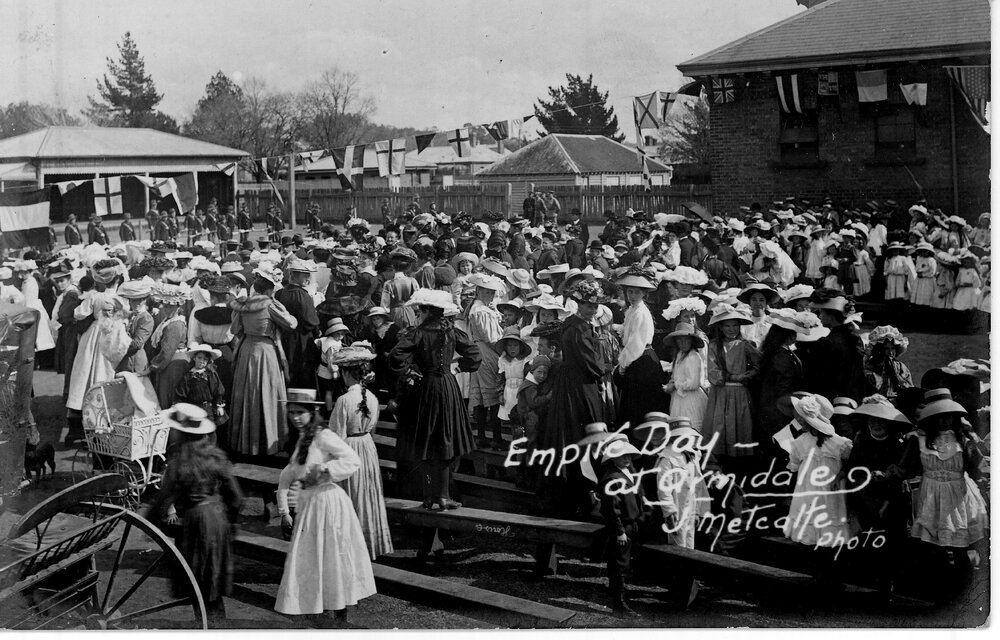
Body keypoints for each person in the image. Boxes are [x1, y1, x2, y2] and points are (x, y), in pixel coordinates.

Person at [275, 389, 376, 622]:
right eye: (291, 413)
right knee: (313, 556)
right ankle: (324, 605)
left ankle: (340, 612)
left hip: (328, 503)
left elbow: (352, 461)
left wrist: (323, 472)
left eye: (301, 412)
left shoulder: (323, 435)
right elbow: (289, 474)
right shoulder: (302, 438)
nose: (295, 417)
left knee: (333, 554)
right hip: (310, 505)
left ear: (313, 412)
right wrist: (284, 510)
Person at [148, 404, 242, 622]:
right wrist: (230, 523)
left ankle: (207, 627)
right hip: (218, 521)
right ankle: (218, 625)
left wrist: (151, 522)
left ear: (181, 434)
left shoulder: (178, 463)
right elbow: (236, 498)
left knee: (197, 582)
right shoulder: (217, 457)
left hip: (196, 524)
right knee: (213, 582)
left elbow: (162, 501)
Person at [389, 289, 481, 510]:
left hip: (426, 387)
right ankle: (443, 495)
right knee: (446, 437)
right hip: (448, 386)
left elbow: (395, 356)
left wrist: (409, 372)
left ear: (428, 311)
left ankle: (430, 496)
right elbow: (475, 357)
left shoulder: (418, 333)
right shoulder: (452, 331)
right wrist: (458, 367)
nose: (418, 313)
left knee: (428, 440)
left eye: (421, 310)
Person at [899, 389, 987, 578]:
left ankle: (963, 587)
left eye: (948, 416)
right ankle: (941, 588)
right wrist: (892, 473)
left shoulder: (962, 437)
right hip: (931, 494)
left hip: (959, 494)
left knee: (960, 543)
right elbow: (907, 466)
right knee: (934, 544)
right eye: (939, 416)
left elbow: (977, 465)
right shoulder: (919, 438)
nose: (944, 421)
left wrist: (982, 474)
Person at [327, 344, 393, 560]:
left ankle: (350, 546)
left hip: (349, 448)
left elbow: (336, 435)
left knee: (351, 495)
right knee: (367, 493)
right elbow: (372, 426)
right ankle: (369, 542)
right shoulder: (372, 398)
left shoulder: (344, 400)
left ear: (347, 373)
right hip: (367, 446)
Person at [844, 396, 912, 597]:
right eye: (872, 420)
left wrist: (886, 480)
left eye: (881, 421)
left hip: (891, 499)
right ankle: (870, 581)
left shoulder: (898, 443)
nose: (877, 424)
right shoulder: (861, 440)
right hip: (866, 497)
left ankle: (889, 585)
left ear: (889, 423)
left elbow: (902, 472)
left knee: (892, 541)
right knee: (869, 539)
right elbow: (853, 470)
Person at [229, 263, 298, 456]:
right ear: (269, 289)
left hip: (246, 350)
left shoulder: (243, 303)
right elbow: (291, 324)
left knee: (247, 393)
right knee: (267, 392)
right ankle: (268, 440)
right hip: (266, 351)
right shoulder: (270, 305)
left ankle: (245, 442)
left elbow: (234, 330)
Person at [782, 393, 855, 551]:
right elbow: (793, 468)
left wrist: (839, 475)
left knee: (829, 519)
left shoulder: (839, 443)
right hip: (808, 490)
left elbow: (851, 464)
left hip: (830, 489)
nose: (799, 420)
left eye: (802, 417)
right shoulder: (799, 443)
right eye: (798, 417)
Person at [703, 304, 759, 472]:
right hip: (721, 393)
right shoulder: (713, 346)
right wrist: (734, 377)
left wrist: (749, 375)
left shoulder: (746, 345)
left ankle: (740, 466)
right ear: (720, 327)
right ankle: (723, 463)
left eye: (735, 325)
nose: (731, 329)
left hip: (740, 393)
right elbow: (713, 373)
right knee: (721, 425)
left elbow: (760, 365)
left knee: (740, 425)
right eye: (727, 325)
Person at [594, 435, 644, 616]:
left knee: (623, 561)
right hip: (622, 527)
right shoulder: (612, 478)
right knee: (619, 564)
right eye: (622, 456)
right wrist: (619, 531)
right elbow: (611, 508)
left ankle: (617, 595)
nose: (627, 459)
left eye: (629, 456)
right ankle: (619, 604)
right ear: (613, 458)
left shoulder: (627, 473)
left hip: (632, 523)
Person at [614, 267, 666, 430]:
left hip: (642, 359)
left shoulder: (641, 312)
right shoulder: (632, 310)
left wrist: (623, 364)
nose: (632, 296)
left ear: (644, 294)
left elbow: (636, 343)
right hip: (638, 358)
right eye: (630, 292)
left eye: (637, 292)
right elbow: (628, 331)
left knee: (640, 403)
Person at [655, 417, 712, 550]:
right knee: (678, 546)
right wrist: (669, 513)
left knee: (690, 545)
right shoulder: (667, 458)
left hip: (690, 510)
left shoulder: (691, 456)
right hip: (677, 511)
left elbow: (696, 486)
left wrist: (697, 511)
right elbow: (664, 490)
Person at [465, 273, 506, 450]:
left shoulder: (479, 308)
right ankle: (496, 438)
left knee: (482, 396)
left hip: (479, 350)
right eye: (487, 292)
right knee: (493, 394)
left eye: (492, 293)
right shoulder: (481, 311)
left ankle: (482, 436)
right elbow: (492, 338)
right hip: (488, 351)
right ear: (479, 291)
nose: (490, 296)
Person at [275, 258, 321, 388]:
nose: (308, 278)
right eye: (305, 275)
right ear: (294, 275)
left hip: (284, 338)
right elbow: (311, 321)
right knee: (302, 372)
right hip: (302, 340)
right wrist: (317, 332)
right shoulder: (302, 295)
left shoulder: (280, 293)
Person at [149, 283, 193, 408]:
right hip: (171, 362)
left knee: (169, 395)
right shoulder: (169, 321)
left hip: (174, 364)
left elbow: (167, 351)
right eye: (165, 306)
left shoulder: (175, 325)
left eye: (170, 306)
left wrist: (153, 366)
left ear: (178, 307)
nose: (166, 309)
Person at [175, 344, 227, 443]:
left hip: (208, 407)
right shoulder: (188, 376)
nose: (201, 361)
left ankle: (210, 452)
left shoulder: (210, 374)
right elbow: (181, 394)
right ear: (194, 358)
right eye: (199, 358)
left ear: (208, 361)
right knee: (195, 433)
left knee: (210, 431)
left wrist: (219, 405)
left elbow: (218, 391)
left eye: (205, 359)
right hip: (193, 409)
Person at [662, 323, 708, 432]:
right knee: (680, 430)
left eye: (686, 340)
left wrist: (675, 386)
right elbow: (676, 375)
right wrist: (671, 382)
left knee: (690, 427)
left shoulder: (693, 356)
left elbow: (694, 383)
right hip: (680, 398)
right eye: (680, 340)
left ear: (691, 341)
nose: (683, 343)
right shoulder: (680, 355)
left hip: (691, 399)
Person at [863, 325, 913, 403]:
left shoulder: (900, 367)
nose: (890, 352)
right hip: (874, 402)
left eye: (892, 348)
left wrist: (896, 375)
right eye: (886, 348)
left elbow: (909, 389)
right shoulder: (871, 365)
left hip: (895, 402)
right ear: (880, 349)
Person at [116, 279, 154, 373]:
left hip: (135, 360)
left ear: (144, 300)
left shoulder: (146, 318)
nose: (136, 304)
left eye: (139, 301)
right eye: (133, 301)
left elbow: (137, 343)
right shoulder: (132, 315)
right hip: (125, 360)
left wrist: (117, 350)